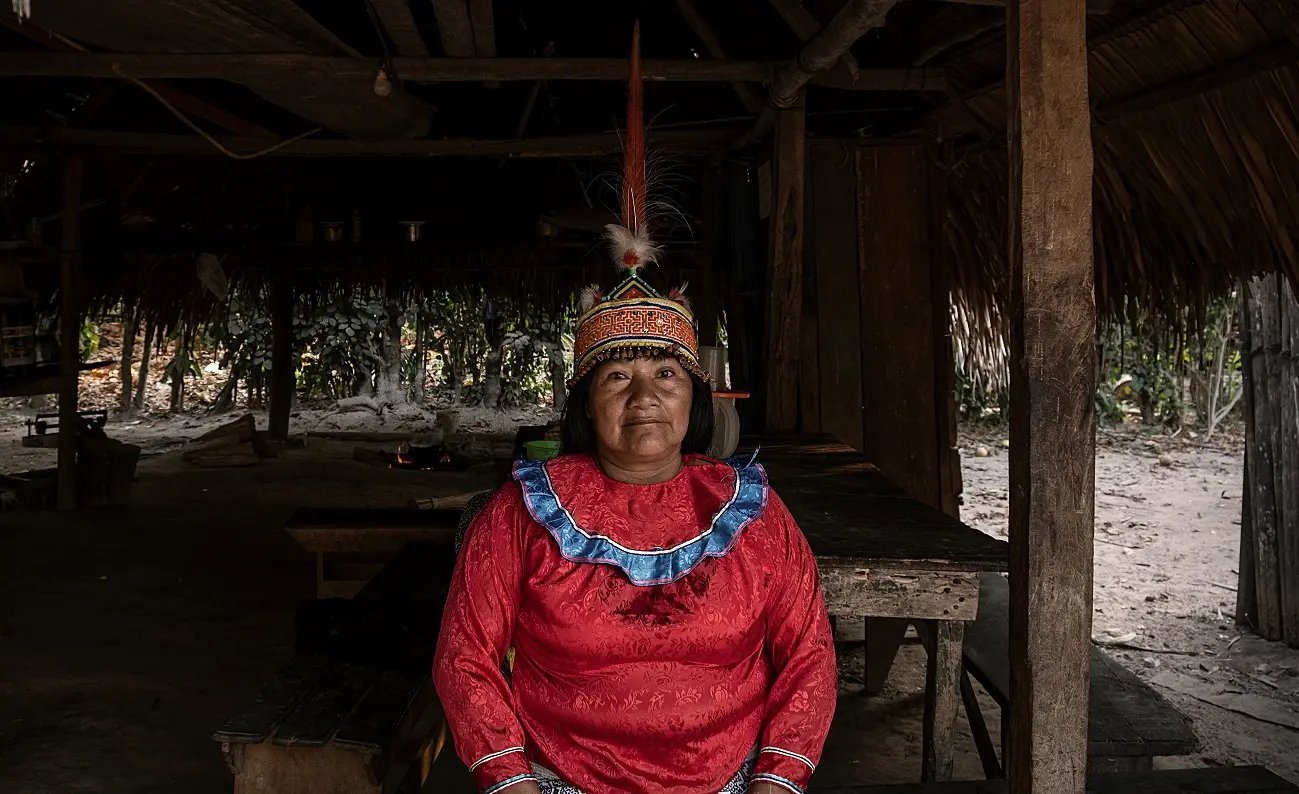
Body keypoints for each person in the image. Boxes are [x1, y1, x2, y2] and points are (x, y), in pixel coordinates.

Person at [432, 23, 837, 794]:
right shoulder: (521, 513)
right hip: (560, 783)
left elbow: (810, 656)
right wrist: (514, 784)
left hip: (731, 783)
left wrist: (774, 783)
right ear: (585, 400)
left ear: (697, 396)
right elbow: (464, 657)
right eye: (617, 377)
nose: (645, 394)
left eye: (665, 374)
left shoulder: (750, 514)